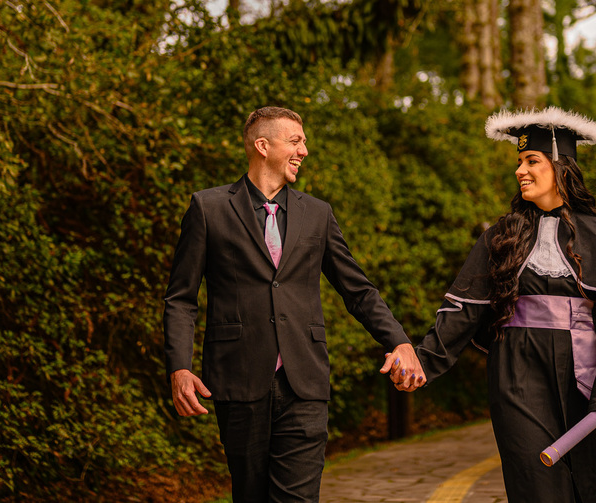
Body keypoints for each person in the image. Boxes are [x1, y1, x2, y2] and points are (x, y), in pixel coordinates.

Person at [163, 106, 424, 503]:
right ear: (262, 145)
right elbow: (181, 298)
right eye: (296, 141)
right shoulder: (208, 208)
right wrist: (180, 366)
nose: (305, 150)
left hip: (304, 380)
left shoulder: (317, 214)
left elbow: (358, 290)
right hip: (237, 378)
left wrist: (399, 340)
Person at [404, 107, 596, 503]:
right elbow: (465, 309)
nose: (521, 170)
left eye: (532, 161)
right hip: (517, 373)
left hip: (587, 374)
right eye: (519, 162)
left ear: (562, 166)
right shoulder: (503, 235)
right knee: (535, 484)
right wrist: (422, 360)